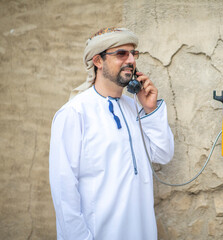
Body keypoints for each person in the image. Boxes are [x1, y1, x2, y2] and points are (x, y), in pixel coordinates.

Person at [49, 27, 174, 240]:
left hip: (142, 232)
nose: (131, 60)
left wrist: (151, 111)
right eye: (121, 54)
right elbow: (64, 191)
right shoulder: (74, 113)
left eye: (133, 54)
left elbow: (163, 154)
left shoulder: (136, 107)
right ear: (98, 61)